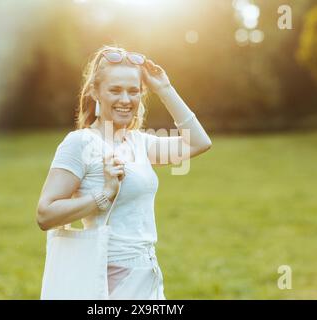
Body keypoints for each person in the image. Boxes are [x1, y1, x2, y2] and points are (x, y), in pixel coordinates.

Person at [36, 45, 212, 299]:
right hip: (110, 279)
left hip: (147, 273)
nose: (126, 100)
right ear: (95, 92)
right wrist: (105, 194)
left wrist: (164, 89)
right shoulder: (80, 143)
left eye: (134, 91)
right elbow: (45, 214)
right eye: (115, 90)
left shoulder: (139, 142)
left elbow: (198, 142)